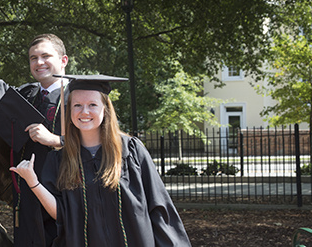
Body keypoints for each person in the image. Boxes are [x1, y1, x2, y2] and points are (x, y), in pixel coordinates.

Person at [10, 75, 191, 247]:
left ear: (105, 109)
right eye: (77, 105)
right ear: (70, 110)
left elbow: (159, 206)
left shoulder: (131, 151)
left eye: (92, 105)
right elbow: (61, 215)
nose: (84, 111)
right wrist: (33, 182)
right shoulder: (59, 160)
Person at [0, 33, 68, 246]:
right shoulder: (29, 94)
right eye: (33, 58)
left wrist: (57, 139)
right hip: (27, 196)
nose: (39, 62)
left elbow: (99, 140)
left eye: (45, 56)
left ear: (63, 60)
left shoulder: (79, 97)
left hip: (64, 194)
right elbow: (0, 90)